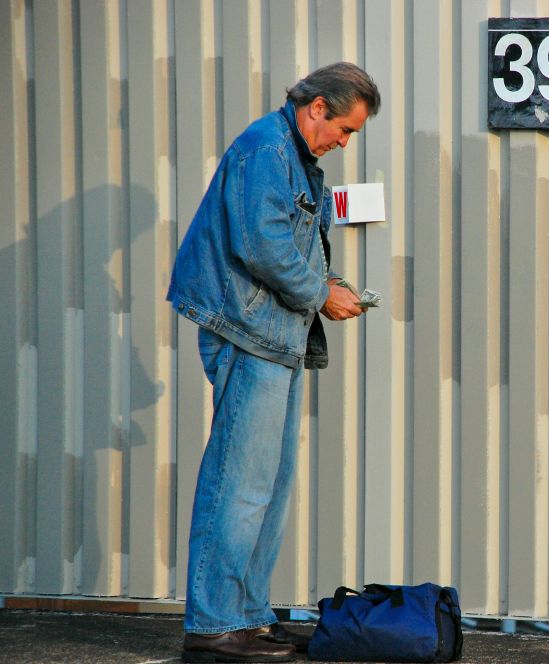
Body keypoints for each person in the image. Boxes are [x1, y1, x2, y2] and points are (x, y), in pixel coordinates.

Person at [167, 62, 380, 663]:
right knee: (240, 483)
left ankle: (248, 618)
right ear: (317, 107)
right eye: (346, 129)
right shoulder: (265, 148)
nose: (345, 141)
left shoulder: (294, 154)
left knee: (269, 485)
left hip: (274, 334)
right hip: (246, 330)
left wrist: (330, 283)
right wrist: (320, 295)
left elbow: (290, 242)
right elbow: (260, 245)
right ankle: (214, 628)